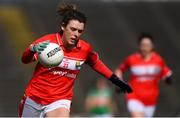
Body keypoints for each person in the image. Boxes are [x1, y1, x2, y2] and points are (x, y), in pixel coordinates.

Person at [19, 4, 132, 117]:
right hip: (34, 98)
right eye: (73, 29)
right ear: (63, 26)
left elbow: (96, 63)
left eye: (79, 31)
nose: (76, 34)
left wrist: (115, 80)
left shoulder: (84, 48)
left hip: (60, 100)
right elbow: (25, 60)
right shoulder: (48, 43)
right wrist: (32, 49)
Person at [115, 33, 172, 118]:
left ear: (152, 46)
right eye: (143, 45)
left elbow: (166, 74)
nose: (145, 47)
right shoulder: (132, 59)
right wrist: (119, 82)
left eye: (147, 45)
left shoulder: (158, 60)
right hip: (134, 96)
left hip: (151, 100)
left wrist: (167, 79)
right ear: (139, 46)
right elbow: (119, 70)